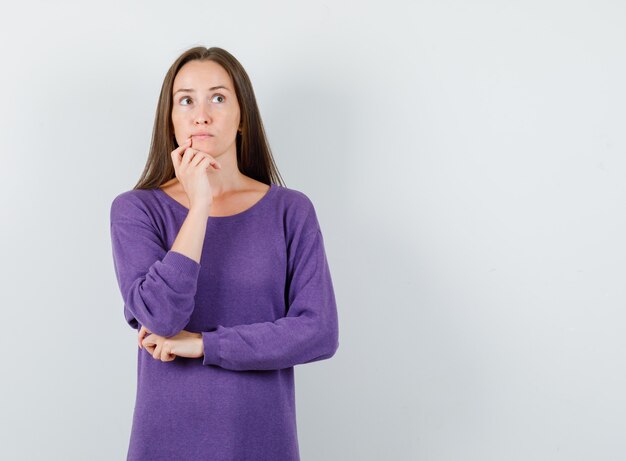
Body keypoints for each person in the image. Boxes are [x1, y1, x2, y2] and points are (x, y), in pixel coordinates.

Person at [109, 46, 339, 460]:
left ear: (242, 117)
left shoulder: (290, 211)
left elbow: (318, 331)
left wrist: (203, 344)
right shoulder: (136, 209)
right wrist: (200, 206)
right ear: (171, 120)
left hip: (261, 441)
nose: (202, 114)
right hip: (167, 442)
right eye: (186, 100)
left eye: (218, 97)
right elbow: (161, 316)